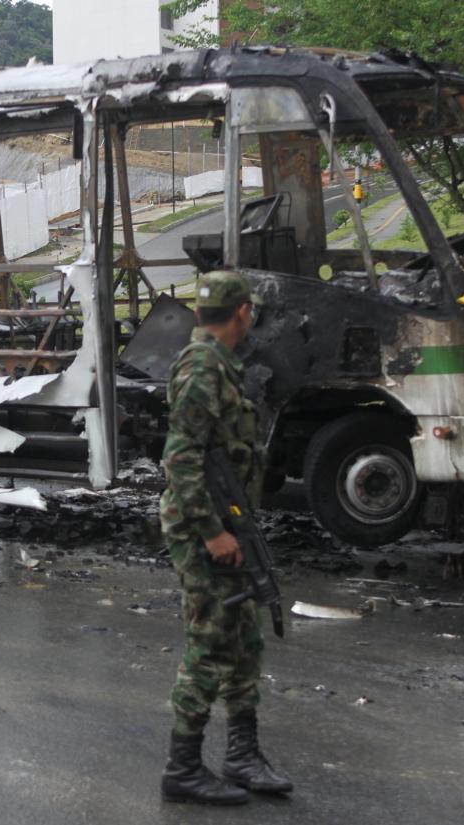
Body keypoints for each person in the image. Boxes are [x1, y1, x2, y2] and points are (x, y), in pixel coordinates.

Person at [159, 269, 292, 806]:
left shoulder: (219, 365)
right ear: (244, 313)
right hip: (203, 529)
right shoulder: (201, 368)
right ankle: (182, 767)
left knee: (244, 639)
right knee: (212, 642)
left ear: (199, 313)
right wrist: (213, 533)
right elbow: (181, 457)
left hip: (228, 521)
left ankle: (242, 754)